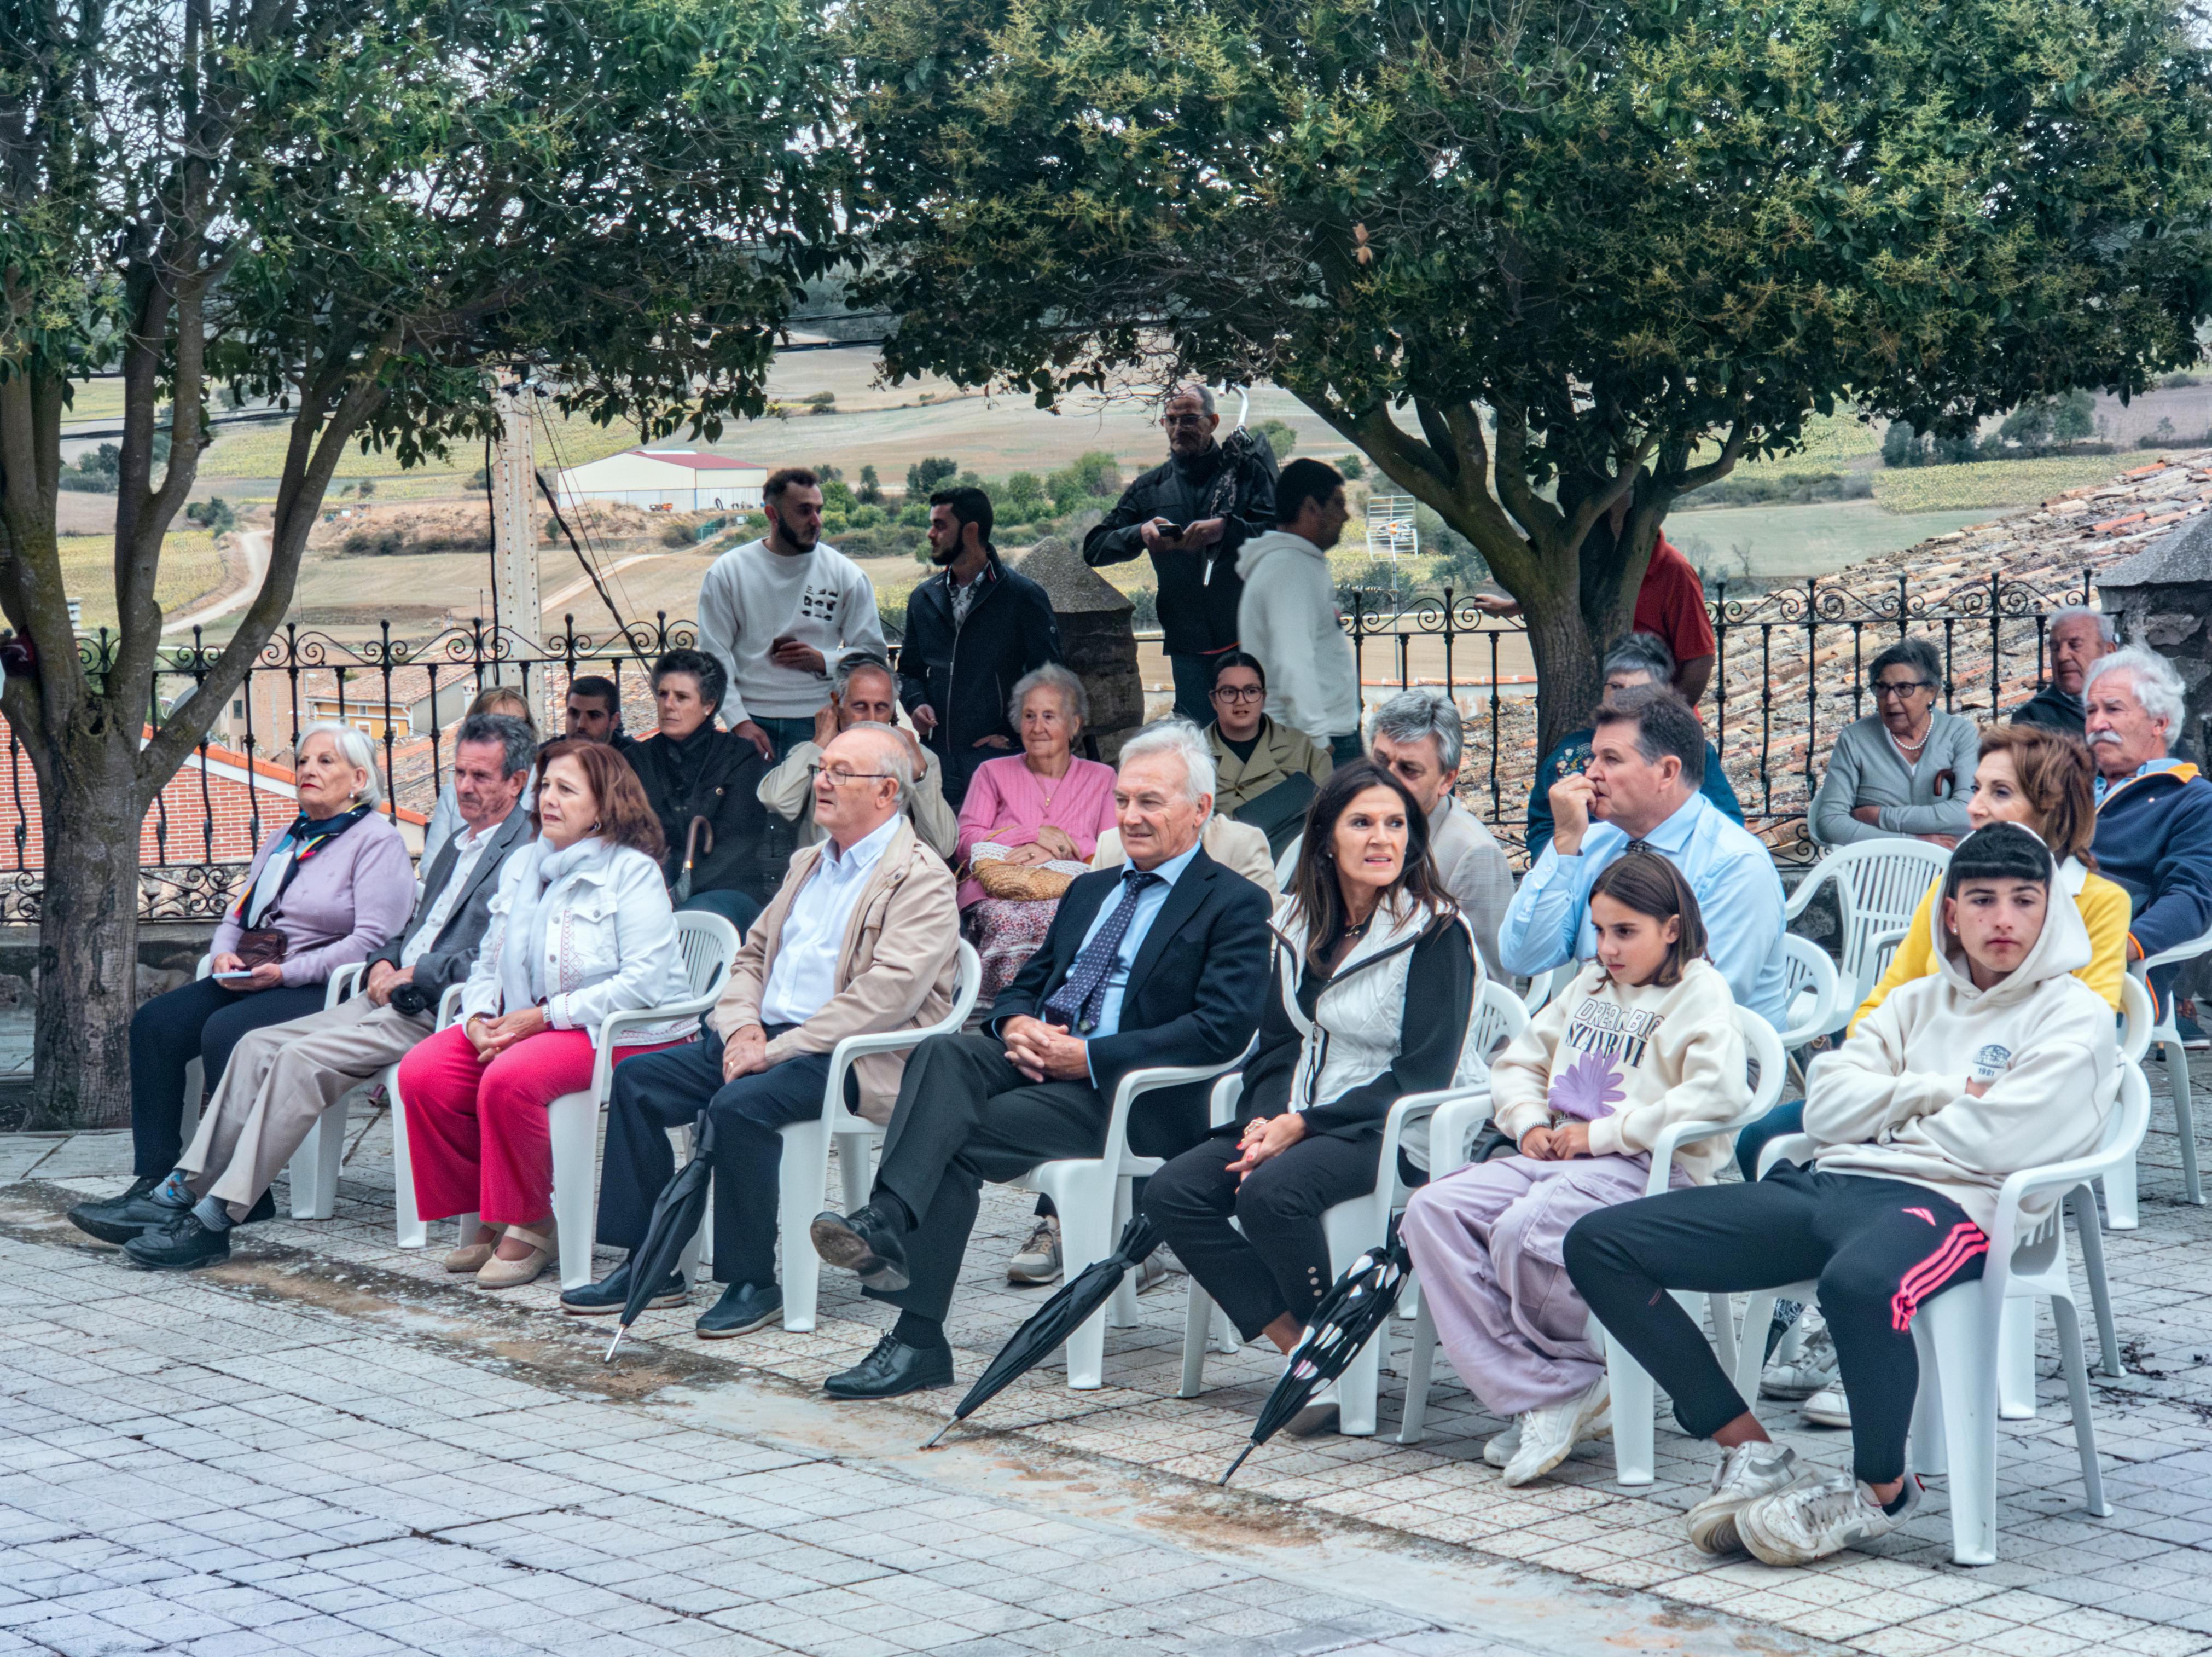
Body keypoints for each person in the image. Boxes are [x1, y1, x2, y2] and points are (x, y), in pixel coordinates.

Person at [1564, 822, 2115, 1566]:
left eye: (2023, 900)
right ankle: (1748, 1447)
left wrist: (1884, 1118)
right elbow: (1823, 1105)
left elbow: (2002, 1140)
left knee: (1856, 1283)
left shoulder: (2071, 1014)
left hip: (1954, 1209)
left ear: (2049, 911)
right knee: (1600, 1242)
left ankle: (1881, 1488)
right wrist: (1938, 1093)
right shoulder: (1911, 1001)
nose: (2003, 920)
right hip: (1832, 1183)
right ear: (1949, 912)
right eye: (1981, 900)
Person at [806, 722, 1274, 1399]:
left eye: (1151, 802)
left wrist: (1088, 1056)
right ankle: (886, 1232)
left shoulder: (1232, 902)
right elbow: (1034, 980)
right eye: (1122, 801)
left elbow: (1220, 1029)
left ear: (1199, 809)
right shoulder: (1089, 888)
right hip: (1039, 1065)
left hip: (1129, 1099)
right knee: (944, 1053)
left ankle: (910, 1319)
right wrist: (1016, 1020)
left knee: (948, 1139)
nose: (1131, 817)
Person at [1745, 719, 2132, 1430]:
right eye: (1971, 789)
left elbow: (2080, 1030)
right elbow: (1882, 1005)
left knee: (1858, 1164)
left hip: (2006, 1120)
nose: (1973, 807)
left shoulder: (2099, 905)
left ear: (2048, 808)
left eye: (1997, 792)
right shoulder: (1950, 888)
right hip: (1918, 1100)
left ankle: (1866, 1326)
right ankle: (1811, 1307)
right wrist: (1881, 1088)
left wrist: (1908, 1097)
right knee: (1765, 1135)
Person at [564, 726, 961, 1336]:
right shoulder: (809, 862)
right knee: (639, 1080)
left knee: (740, 1105)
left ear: (886, 792)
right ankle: (651, 1259)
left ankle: (752, 1279)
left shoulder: (920, 875)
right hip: (769, 1037)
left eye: (838, 773)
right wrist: (743, 1029)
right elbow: (750, 960)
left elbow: (887, 994)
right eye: (820, 767)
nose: (819, 781)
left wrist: (776, 1049)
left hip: (851, 1055)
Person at [110, 716, 539, 1268]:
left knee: (295, 1057)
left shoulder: (525, 850)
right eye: (459, 773)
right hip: (385, 996)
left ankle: (215, 1219)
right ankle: (180, 1190)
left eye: (481, 776)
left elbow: (498, 951)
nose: (464, 787)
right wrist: (386, 962)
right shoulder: (460, 844)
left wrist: (418, 973)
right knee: (255, 1047)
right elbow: (408, 930)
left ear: (517, 781)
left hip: (439, 1010)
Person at [1143, 761, 1478, 1435]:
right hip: (1299, 1110)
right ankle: (1304, 1348)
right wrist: (1267, 1118)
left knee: (1270, 1195)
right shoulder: (1296, 924)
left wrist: (1301, 1124)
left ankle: (1331, 1363)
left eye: (1395, 824)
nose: (1381, 839)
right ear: (1325, 837)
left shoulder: (1436, 932)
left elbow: (1421, 1074)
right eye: (1362, 823)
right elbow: (1274, 1045)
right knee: (1171, 1191)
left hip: (1392, 1126)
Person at [1403, 851, 1748, 1485]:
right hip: (1559, 1157)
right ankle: (1551, 1387)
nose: (1607, 948)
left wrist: (1605, 1134)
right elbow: (1518, 1061)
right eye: (1599, 930)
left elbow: (1718, 1095)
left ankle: (1553, 1390)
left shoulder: (1699, 991)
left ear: (1671, 928)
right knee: (1432, 1209)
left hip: (1646, 1171)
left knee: (1523, 1228)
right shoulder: (1587, 984)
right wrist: (1528, 1122)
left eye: (1625, 932)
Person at [68, 725, 416, 1246]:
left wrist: (288, 972)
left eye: (325, 762)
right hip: (255, 971)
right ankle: (156, 1178)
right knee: (156, 1024)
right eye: (303, 761)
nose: (308, 771)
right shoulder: (287, 837)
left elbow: (372, 943)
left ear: (359, 780)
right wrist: (223, 952)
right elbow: (241, 910)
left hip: (320, 984)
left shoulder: (378, 842)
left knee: (224, 1031)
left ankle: (237, 1194)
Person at [398, 741, 694, 1289]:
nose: (547, 799)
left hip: (630, 1030)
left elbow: (643, 982)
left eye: (566, 789)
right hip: (531, 1022)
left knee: (511, 1076)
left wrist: (542, 1018)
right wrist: (482, 1016)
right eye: (545, 787)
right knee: (425, 1072)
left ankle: (534, 1220)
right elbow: (490, 957)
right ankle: (491, 1206)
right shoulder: (523, 865)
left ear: (604, 806)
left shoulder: (631, 872)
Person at [1500, 686, 1789, 1029]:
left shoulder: (1735, 864)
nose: (1591, 773)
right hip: (1597, 1044)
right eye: (1594, 758)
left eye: (1611, 759)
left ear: (1667, 772)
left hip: (1712, 1063)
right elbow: (1522, 957)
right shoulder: (1590, 842)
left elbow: (1704, 1008)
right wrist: (1563, 845)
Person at [1083, 384, 1278, 723]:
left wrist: (1227, 531)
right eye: (1171, 420)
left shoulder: (1248, 475)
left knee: (1257, 736)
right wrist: (1139, 534)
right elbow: (1095, 548)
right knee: (1199, 745)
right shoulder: (1150, 487)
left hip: (1250, 638)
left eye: (1189, 419)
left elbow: (1279, 536)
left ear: (1213, 421)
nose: (1178, 428)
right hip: (1187, 646)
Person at [954, 664, 1120, 1000]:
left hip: (1071, 893)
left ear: (1074, 725)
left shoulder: (1102, 778)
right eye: (1029, 716)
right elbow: (965, 841)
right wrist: (1033, 834)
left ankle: (1054, 1019)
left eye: (1049, 716)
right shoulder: (992, 772)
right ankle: (998, 1019)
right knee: (1006, 924)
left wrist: (1058, 849)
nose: (1037, 727)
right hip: (997, 894)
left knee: (1062, 924)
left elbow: (1113, 850)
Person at [698, 466, 886, 761]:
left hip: (821, 720)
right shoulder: (728, 572)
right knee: (754, 808)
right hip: (752, 720)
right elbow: (714, 654)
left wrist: (825, 660)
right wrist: (738, 721)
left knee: (818, 806)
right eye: (804, 511)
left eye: (819, 510)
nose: (816, 521)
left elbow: (874, 654)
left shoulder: (846, 575)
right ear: (772, 515)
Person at [897, 485, 1063, 807]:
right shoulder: (923, 597)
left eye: (941, 525)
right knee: (939, 854)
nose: (931, 534)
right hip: (936, 759)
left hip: (999, 760)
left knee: (995, 853)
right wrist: (915, 703)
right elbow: (909, 671)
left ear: (971, 531)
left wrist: (1015, 736)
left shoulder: (1023, 596)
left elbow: (1050, 681)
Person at [2083, 645, 2212, 1017]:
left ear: (2159, 723)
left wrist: (2114, 945)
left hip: (2112, 972)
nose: (2096, 724)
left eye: (2112, 709)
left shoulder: (2192, 799)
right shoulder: (2067, 787)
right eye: (2091, 711)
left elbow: (2191, 898)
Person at [1526, 635, 1741, 855]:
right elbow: (1542, 823)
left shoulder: (1692, 750)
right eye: (1617, 686)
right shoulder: (1570, 751)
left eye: (1641, 689)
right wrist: (1567, 856)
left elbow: (1726, 823)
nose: (1626, 696)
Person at [1472, 526, 1716, 705]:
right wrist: (1515, 607)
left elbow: (1700, 658)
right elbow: (1565, 591)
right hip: (1603, 714)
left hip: (1651, 719)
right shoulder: (1593, 557)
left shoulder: (1675, 571)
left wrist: (1671, 720)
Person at [624, 647, 774, 935]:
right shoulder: (637, 759)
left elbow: (738, 841)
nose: (668, 705)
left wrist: (676, 897)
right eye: (663, 694)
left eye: (681, 697)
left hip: (727, 889)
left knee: (693, 923)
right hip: (651, 888)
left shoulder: (739, 757)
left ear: (709, 706)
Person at [1368, 689, 1513, 977]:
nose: (1386, 779)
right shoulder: (1352, 825)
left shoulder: (1473, 855)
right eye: (1381, 762)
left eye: (1408, 770)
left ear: (1447, 780)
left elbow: (1491, 981)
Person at [758, 652, 959, 861]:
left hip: (893, 881)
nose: (871, 718)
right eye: (860, 707)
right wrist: (818, 745)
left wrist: (920, 776)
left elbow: (942, 846)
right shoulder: (813, 754)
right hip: (827, 877)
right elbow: (776, 801)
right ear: (837, 703)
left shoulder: (922, 759)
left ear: (893, 709)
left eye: (881, 708)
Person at [1235, 459, 1362, 763]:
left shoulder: (1294, 564)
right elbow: (1292, 662)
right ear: (1311, 507)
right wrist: (1318, 743)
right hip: (1316, 741)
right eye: (1338, 503)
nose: (1345, 516)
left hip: (1317, 736)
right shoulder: (1289, 569)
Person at [1809, 638, 1977, 848]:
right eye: (1882, 688)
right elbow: (1830, 823)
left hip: (1945, 866)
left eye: (1904, 688)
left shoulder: (1959, 733)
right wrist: (1912, 842)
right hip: (1878, 868)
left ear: (1931, 692)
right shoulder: (1855, 739)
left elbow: (1967, 813)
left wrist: (1880, 816)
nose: (1890, 700)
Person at [1203, 651, 1333, 855]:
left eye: (1251, 691)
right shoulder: (1191, 754)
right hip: (1221, 868)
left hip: (1294, 870)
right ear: (1213, 700)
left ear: (1263, 698)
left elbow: (1330, 819)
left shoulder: (1303, 748)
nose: (1241, 701)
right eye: (1229, 692)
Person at [422, 686, 536, 868]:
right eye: (496, 726)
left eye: (516, 725)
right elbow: (431, 864)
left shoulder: (545, 784)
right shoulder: (454, 793)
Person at [2014, 606, 2116, 737]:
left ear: (2109, 651)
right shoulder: (2032, 720)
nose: (2062, 657)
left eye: (2075, 645)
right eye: (2055, 648)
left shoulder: (2136, 704)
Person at [564, 675, 633, 751]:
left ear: (614, 721)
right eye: (574, 713)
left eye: (594, 716)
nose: (581, 725)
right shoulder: (551, 754)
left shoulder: (633, 757)